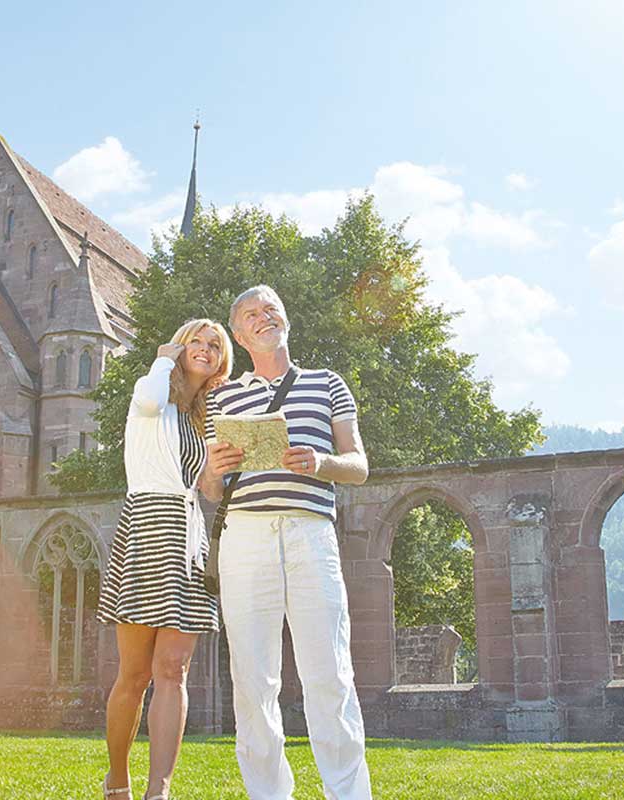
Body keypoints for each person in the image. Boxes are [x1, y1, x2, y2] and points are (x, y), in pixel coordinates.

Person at [201, 285, 373, 800]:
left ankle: (349, 794)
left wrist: (320, 463)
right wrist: (213, 469)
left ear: (285, 320)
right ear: (238, 333)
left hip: (309, 533)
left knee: (330, 674)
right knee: (253, 681)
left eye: (271, 309)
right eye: (250, 314)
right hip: (246, 535)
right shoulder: (223, 398)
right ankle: (268, 794)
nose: (263, 317)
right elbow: (211, 491)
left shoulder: (328, 384)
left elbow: (359, 466)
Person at [97, 318, 232, 800]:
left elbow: (210, 490)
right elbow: (153, 399)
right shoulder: (150, 392)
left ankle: (160, 791)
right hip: (148, 524)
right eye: (196, 340)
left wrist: (220, 468)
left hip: (189, 532)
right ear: (180, 347)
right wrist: (162, 355)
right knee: (134, 673)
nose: (206, 348)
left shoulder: (207, 418)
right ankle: (118, 781)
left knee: (173, 669)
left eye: (214, 344)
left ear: (221, 359)